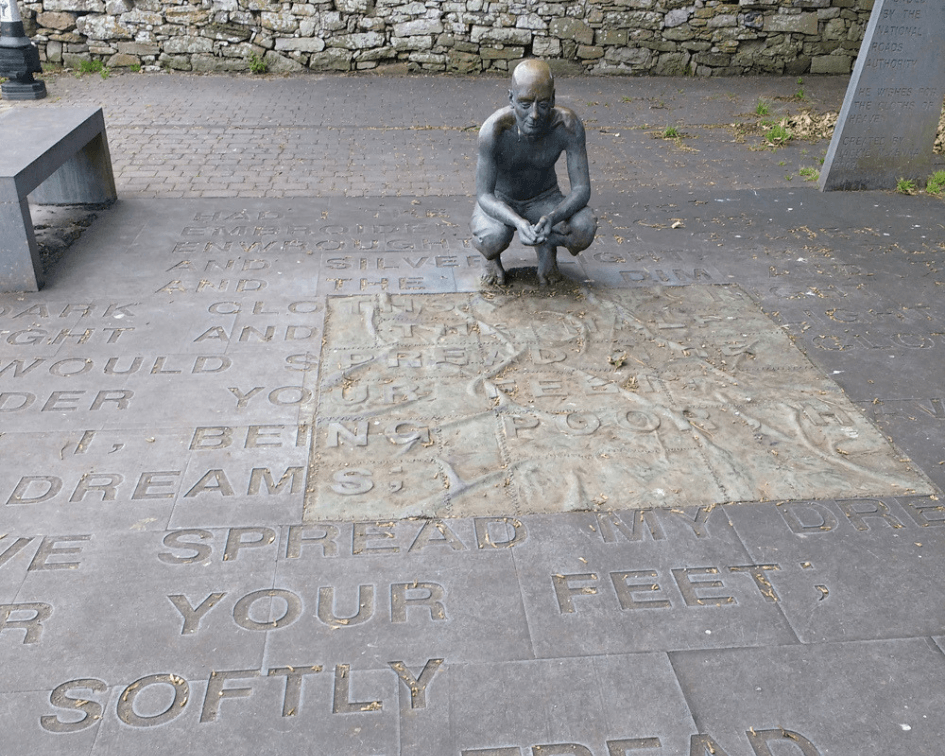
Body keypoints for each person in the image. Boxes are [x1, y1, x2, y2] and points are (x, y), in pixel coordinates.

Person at [471, 59, 597, 286]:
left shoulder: (568, 126)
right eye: (525, 104)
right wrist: (517, 222)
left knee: (584, 227)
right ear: (511, 99)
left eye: (544, 104)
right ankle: (491, 258)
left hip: (545, 199)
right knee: (492, 238)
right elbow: (484, 195)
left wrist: (552, 217)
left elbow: (582, 189)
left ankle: (546, 247)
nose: (535, 115)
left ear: (554, 98)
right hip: (502, 200)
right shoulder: (493, 131)